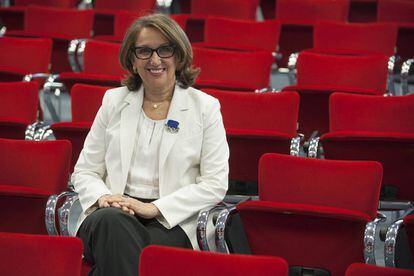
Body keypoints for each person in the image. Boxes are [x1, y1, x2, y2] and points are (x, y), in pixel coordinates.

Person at [71, 13, 229, 276]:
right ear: (132, 60)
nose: (155, 60)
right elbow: (85, 171)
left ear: (178, 57)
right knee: (113, 226)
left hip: (171, 220)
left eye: (164, 50)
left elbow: (215, 183)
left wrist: (154, 208)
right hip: (111, 213)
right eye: (144, 51)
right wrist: (104, 198)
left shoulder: (205, 108)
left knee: (118, 253)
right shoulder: (113, 101)